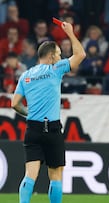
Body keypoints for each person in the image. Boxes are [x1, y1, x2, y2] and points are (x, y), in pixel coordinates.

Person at [11, 21, 86, 203]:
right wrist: (70, 32)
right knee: (56, 175)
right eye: (59, 55)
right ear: (52, 56)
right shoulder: (55, 70)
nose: (61, 58)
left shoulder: (25, 75)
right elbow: (81, 54)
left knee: (30, 175)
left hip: (33, 129)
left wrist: (29, 113)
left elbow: (14, 104)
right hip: (52, 129)